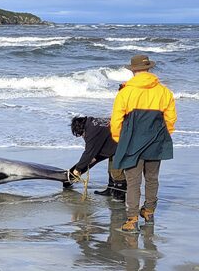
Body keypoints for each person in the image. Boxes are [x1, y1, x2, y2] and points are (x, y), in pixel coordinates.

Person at [111, 55, 177, 233]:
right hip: (156, 140)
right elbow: (170, 119)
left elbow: (116, 119)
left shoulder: (126, 92)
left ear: (133, 71)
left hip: (132, 141)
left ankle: (132, 219)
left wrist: (119, 139)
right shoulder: (164, 91)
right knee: (152, 178)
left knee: (133, 181)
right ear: (148, 69)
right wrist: (162, 135)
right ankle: (149, 211)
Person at [69, 116, 126, 201]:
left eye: (81, 134)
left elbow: (89, 153)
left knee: (116, 171)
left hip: (122, 142)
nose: (82, 136)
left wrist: (78, 169)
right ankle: (110, 190)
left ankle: (120, 195)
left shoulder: (92, 131)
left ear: (81, 128)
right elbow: (93, 152)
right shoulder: (91, 123)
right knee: (111, 169)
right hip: (114, 141)